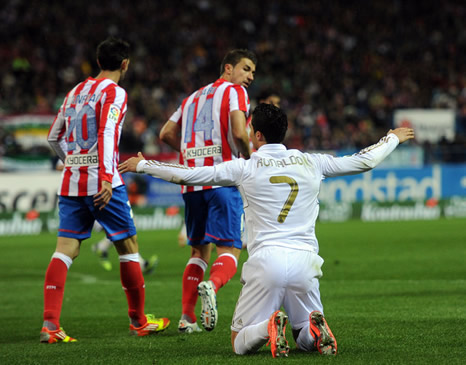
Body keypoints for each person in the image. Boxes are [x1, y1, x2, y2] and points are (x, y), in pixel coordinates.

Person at [118, 103, 415, 357]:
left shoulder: (244, 167)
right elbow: (365, 161)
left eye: (250, 129)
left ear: (257, 135)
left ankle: (268, 326)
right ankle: (313, 328)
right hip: (305, 261)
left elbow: (190, 174)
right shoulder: (313, 162)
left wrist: (145, 165)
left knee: (238, 341)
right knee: (304, 334)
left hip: (266, 262)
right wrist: (391, 138)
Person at [42, 37, 170, 343]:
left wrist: (73, 161)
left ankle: (50, 325)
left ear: (98, 62)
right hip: (103, 182)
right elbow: (107, 131)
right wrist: (103, 175)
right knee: (128, 246)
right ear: (125, 64)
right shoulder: (115, 92)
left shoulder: (74, 92)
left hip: (72, 182)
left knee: (65, 249)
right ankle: (139, 321)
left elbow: (52, 137)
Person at [158, 49, 257, 333]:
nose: (249, 77)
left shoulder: (192, 98)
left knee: (198, 251)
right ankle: (212, 286)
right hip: (223, 180)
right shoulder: (235, 91)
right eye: (246, 69)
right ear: (228, 68)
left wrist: (192, 157)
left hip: (192, 183)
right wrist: (248, 161)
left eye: (252, 73)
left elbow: (165, 133)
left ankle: (187, 318)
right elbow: (239, 133)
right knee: (230, 247)